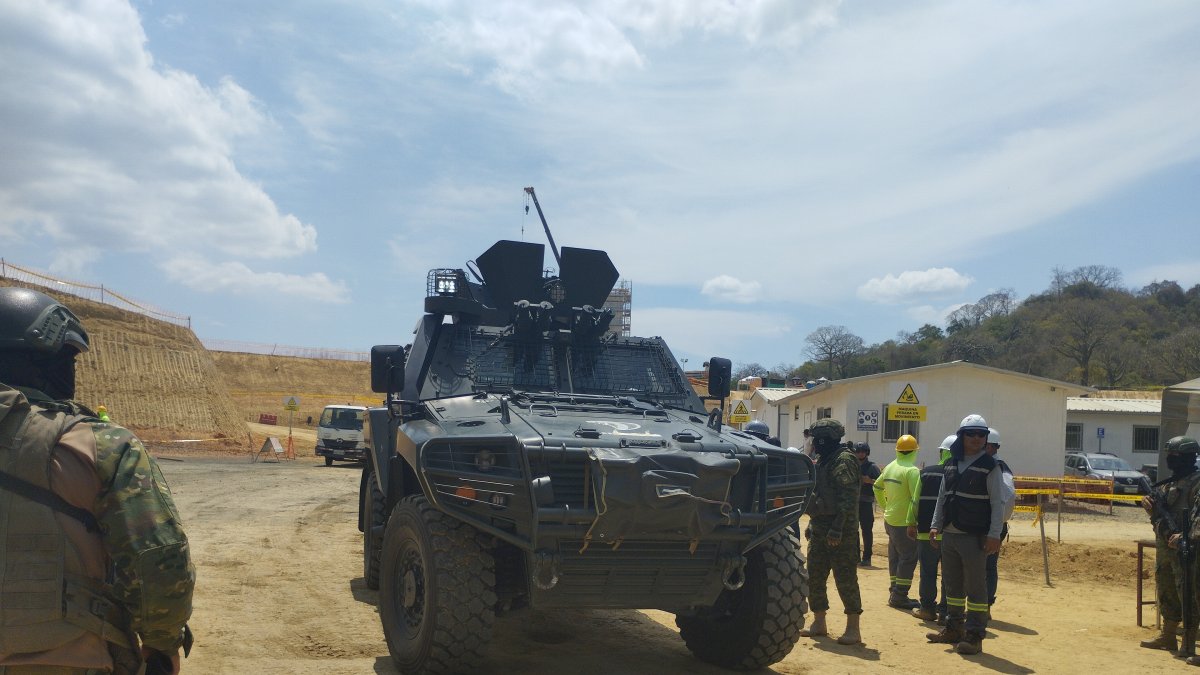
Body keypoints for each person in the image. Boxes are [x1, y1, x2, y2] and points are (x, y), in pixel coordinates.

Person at [0, 287, 195, 674]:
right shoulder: (100, 445)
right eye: (66, 359)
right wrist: (162, 643)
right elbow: (157, 558)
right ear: (43, 361)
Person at [927, 414, 1004, 656]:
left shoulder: (990, 466)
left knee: (976, 587)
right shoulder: (951, 463)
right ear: (962, 436)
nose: (977, 438)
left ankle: (974, 635)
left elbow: (998, 503)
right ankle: (954, 628)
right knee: (952, 585)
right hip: (949, 534)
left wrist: (994, 534)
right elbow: (942, 497)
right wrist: (935, 525)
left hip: (974, 536)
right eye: (971, 433)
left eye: (982, 434)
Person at [798, 418, 864, 645]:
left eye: (818, 439)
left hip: (841, 533)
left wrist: (837, 529)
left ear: (827, 439)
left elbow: (848, 499)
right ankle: (819, 623)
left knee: (845, 580)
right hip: (820, 528)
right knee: (815, 577)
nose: (815, 443)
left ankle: (853, 629)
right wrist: (812, 524)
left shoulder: (843, 460)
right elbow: (819, 495)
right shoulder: (825, 459)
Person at [1140, 434, 1200, 656]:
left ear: (1188, 457)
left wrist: (1186, 535)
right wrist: (1150, 508)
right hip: (1166, 546)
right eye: (1169, 455)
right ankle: (1168, 635)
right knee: (1166, 587)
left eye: (1175, 455)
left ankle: (1189, 641)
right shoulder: (1169, 483)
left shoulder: (1196, 483)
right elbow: (1161, 515)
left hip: (1188, 548)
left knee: (1188, 592)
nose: (1170, 459)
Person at [911, 435, 956, 623]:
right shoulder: (960, 474)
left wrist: (911, 523)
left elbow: (915, 502)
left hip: (925, 533)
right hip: (952, 534)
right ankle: (945, 612)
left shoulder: (926, 473)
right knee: (950, 574)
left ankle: (927, 609)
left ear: (942, 452)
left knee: (928, 572)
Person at [874, 434, 921, 609]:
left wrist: (885, 507)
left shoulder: (889, 467)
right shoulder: (912, 471)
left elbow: (877, 487)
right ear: (914, 451)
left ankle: (894, 590)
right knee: (908, 557)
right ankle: (900, 596)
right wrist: (912, 521)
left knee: (894, 557)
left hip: (890, 520)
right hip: (904, 523)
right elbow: (915, 500)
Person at [984, 428, 1016, 616]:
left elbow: (1004, 497)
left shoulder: (990, 467)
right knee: (989, 566)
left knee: (979, 567)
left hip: (986, 525)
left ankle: (979, 607)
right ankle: (985, 607)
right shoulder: (1004, 468)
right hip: (999, 525)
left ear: (989, 446)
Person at [855, 442, 881, 568]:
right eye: (858, 451)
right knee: (853, 531)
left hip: (866, 502)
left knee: (866, 531)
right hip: (853, 503)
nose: (860, 454)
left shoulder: (872, 467)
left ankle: (867, 558)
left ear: (867, 453)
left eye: (863, 451)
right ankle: (855, 557)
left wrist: (869, 481)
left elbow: (881, 484)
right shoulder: (852, 466)